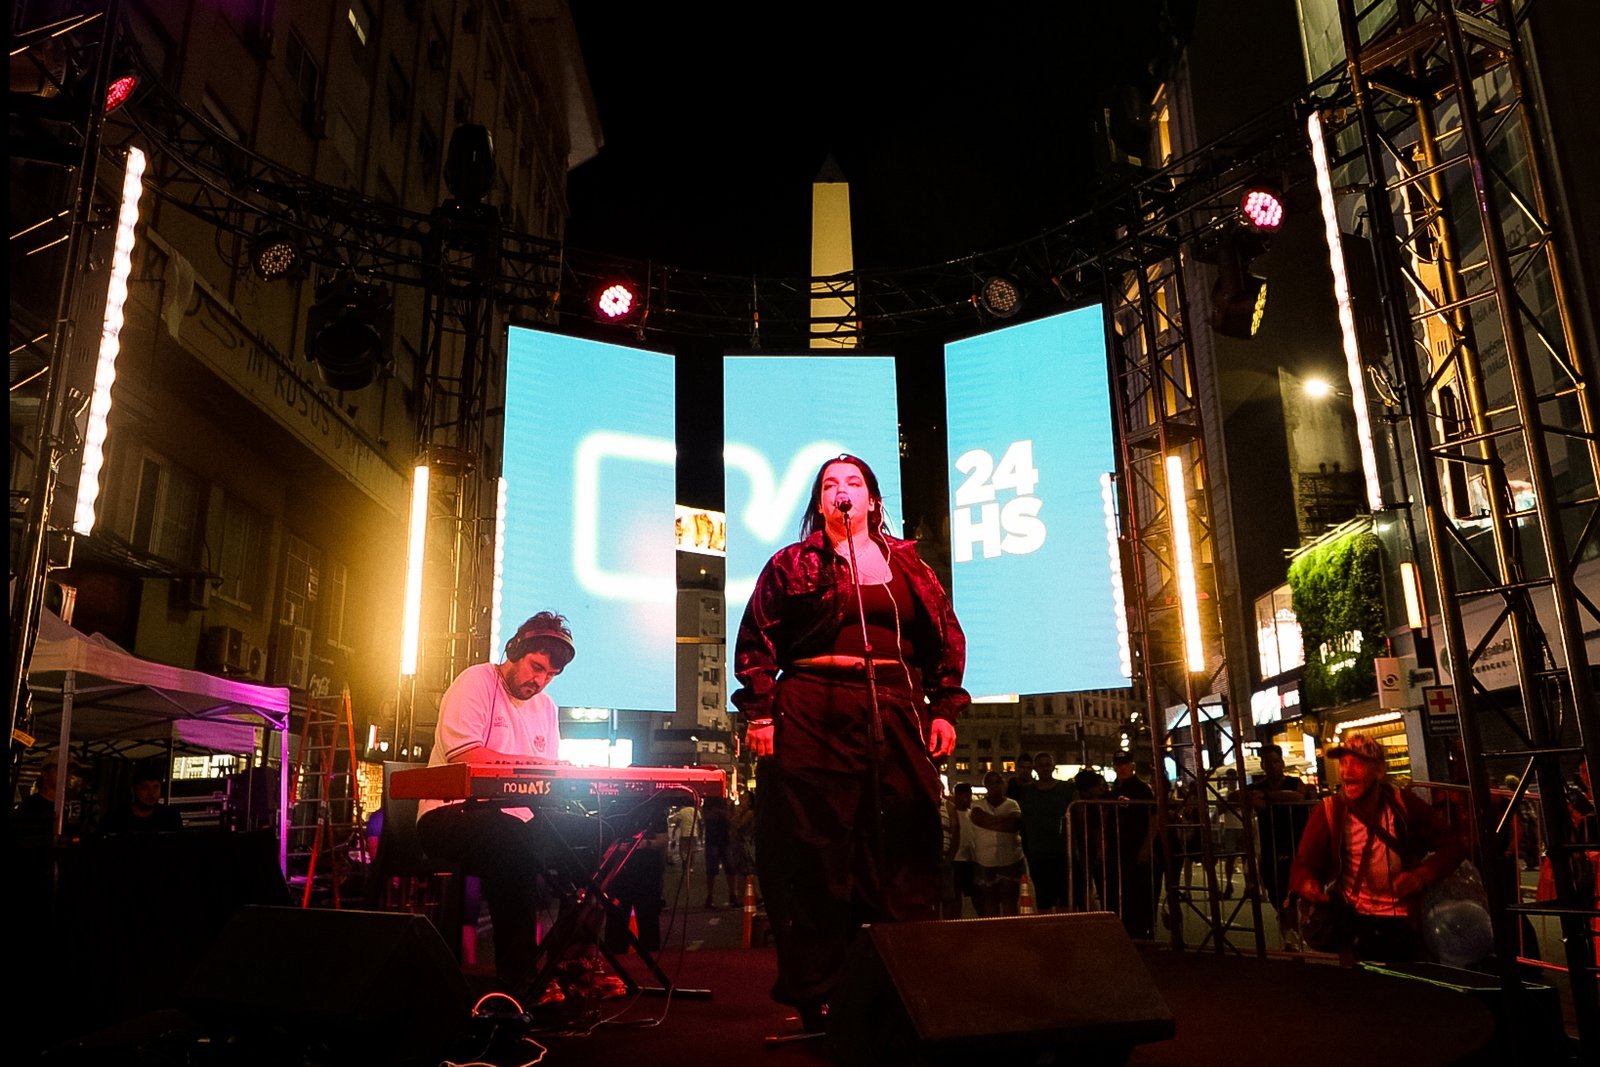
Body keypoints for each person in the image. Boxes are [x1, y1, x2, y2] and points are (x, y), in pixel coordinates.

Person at [733, 453, 967, 1032]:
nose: (843, 490)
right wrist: (761, 713)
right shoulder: (790, 563)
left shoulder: (909, 564)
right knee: (814, 848)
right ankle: (820, 991)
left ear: (872, 499)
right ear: (820, 502)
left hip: (894, 703)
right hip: (812, 705)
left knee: (904, 834)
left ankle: (898, 980)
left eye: (854, 482)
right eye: (831, 484)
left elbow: (943, 636)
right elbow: (757, 638)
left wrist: (943, 707)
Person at [415, 611, 577, 992]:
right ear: (515, 650)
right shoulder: (476, 681)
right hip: (450, 813)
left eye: (550, 676)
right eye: (536, 667)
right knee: (512, 842)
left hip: (515, 820)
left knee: (597, 836)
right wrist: (540, 765)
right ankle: (518, 980)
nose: (539, 682)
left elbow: (547, 781)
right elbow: (465, 757)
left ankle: (571, 962)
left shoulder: (547, 708)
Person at [1289, 733, 1467, 963]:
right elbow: (1305, 863)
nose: (1347, 771)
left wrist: (1422, 875)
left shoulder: (1405, 805)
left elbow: (1452, 847)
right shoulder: (1329, 811)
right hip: (1354, 922)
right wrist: (1307, 883)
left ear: (1379, 771)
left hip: (1407, 922)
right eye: (1343, 763)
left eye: (1357, 763)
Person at [1245, 742, 1314, 922]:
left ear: (1282, 763)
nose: (1272, 766)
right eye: (1267, 762)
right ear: (1262, 765)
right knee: (1273, 890)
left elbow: (1298, 796)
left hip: (1294, 843)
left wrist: (1267, 797)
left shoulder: (1294, 782)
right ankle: (1287, 926)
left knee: (1295, 891)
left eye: (1275, 761)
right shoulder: (1257, 786)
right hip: (1270, 844)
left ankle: (1292, 928)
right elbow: (1240, 796)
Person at [1107, 751, 1158, 938]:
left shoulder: (1142, 789)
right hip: (1118, 848)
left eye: (1125, 764)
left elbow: (1154, 817)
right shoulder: (1115, 789)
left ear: (1132, 766)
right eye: (1118, 764)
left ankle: (1141, 931)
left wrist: (1146, 846)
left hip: (1135, 847)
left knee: (1138, 892)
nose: (1121, 768)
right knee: (1121, 891)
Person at [1019, 751, 1074, 912]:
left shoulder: (1067, 789)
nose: (1044, 768)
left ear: (1053, 767)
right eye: (1041, 765)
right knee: (1043, 896)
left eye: (1047, 765)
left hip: (1062, 850)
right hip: (1039, 851)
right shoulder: (1027, 792)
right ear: (1035, 768)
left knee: (1065, 894)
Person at [969, 769, 1025, 916]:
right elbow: (979, 819)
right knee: (989, 901)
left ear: (1004, 784)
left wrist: (990, 821)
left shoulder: (1012, 804)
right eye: (991, 783)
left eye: (998, 782)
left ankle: (1010, 933)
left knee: (1010, 900)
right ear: (986, 785)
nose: (995, 786)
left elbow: (1012, 825)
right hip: (985, 861)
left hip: (1010, 859)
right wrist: (1003, 821)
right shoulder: (977, 805)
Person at [100, 760, 185, 834]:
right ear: (133, 789)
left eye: (156, 787)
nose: (151, 793)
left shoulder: (170, 817)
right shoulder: (115, 820)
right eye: (145, 787)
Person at [700, 795, 739, 909]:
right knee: (712, 869)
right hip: (714, 838)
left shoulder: (723, 801)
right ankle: (711, 896)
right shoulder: (711, 800)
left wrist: (719, 813)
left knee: (729, 868)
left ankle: (731, 894)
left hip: (723, 838)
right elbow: (707, 817)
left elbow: (730, 818)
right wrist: (722, 813)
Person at [951, 782, 977, 916]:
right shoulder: (952, 814)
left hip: (971, 860)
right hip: (955, 859)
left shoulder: (972, 814)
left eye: (969, 796)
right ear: (957, 796)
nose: (967, 799)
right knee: (955, 895)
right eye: (964, 796)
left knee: (976, 895)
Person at [668, 801, 700, 872]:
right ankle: (690, 867)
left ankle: (684, 861)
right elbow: (700, 822)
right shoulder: (696, 811)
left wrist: (674, 831)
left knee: (682, 850)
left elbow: (678, 823)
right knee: (692, 851)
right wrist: (700, 833)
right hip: (693, 834)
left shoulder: (682, 811)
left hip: (684, 834)